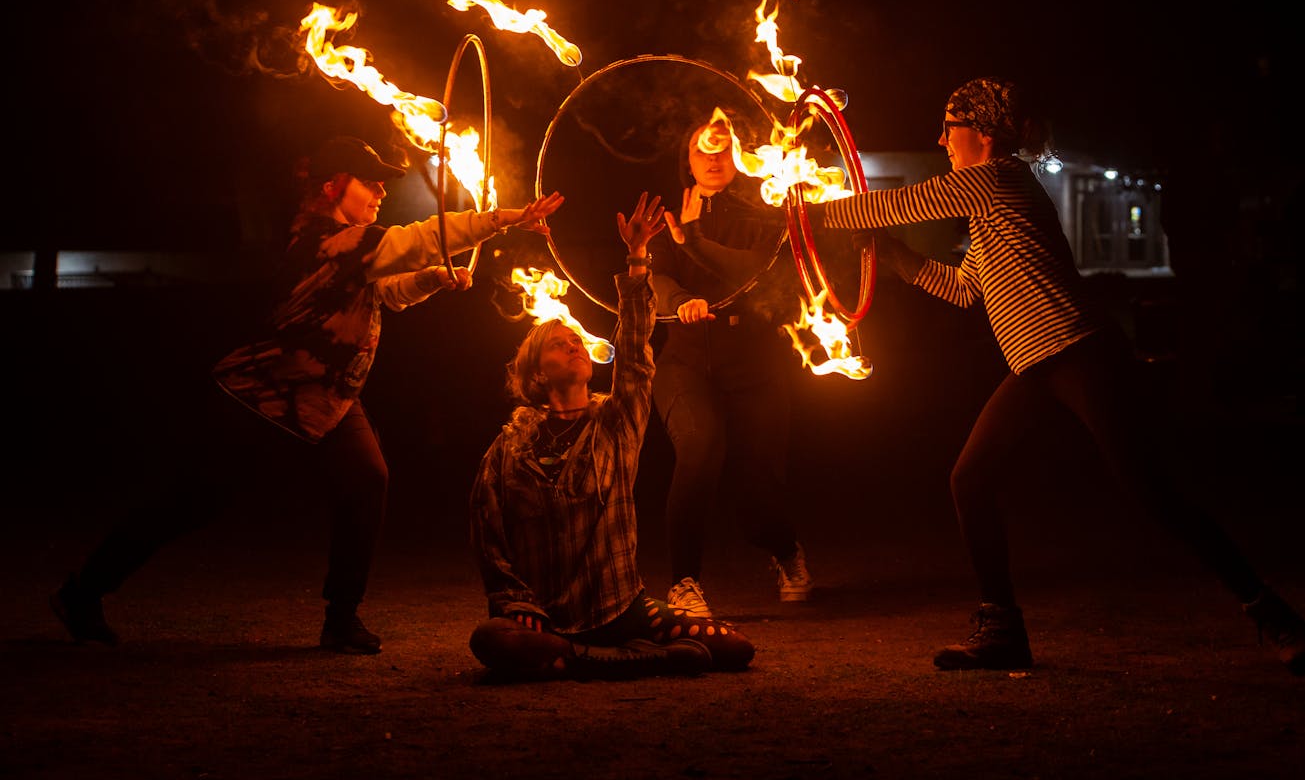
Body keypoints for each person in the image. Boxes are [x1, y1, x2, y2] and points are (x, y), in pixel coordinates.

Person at [809, 77, 1305, 674]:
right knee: (969, 480)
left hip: (1081, 354)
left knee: (1152, 493)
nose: (940, 139)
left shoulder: (996, 179)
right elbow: (964, 289)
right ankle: (1001, 629)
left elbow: (891, 205)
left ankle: (1272, 612)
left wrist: (800, 209)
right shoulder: (988, 202)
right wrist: (894, 257)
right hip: (1035, 367)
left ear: (980, 132)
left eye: (947, 127)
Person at [49, 135, 565, 654]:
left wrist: (432, 279)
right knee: (192, 502)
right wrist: (501, 217)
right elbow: (418, 238)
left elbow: (388, 291)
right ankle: (83, 592)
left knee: (368, 479)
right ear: (332, 186)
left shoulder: (354, 247)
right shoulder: (325, 239)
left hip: (330, 398)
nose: (382, 190)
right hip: (263, 395)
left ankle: (342, 618)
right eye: (370, 180)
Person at [468, 192, 756, 681]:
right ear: (537, 374)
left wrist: (639, 258)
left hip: (622, 607)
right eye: (557, 346)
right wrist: (514, 601)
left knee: (734, 647)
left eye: (576, 340)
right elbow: (488, 536)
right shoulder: (508, 448)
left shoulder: (615, 422)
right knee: (490, 640)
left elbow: (635, 351)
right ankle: (629, 660)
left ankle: (583, 661)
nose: (573, 346)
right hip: (544, 618)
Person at [647, 117, 811, 619]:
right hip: (686, 359)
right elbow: (653, 277)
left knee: (759, 488)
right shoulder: (665, 215)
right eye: (702, 150)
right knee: (699, 448)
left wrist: (695, 241)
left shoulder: (767, 209)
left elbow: (761, 276)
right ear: (688, 160)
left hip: (754, 360)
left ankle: (785, 551)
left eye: (724, 149)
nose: (714, 158)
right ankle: (684, 584)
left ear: (740, 155)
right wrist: (679, 300)